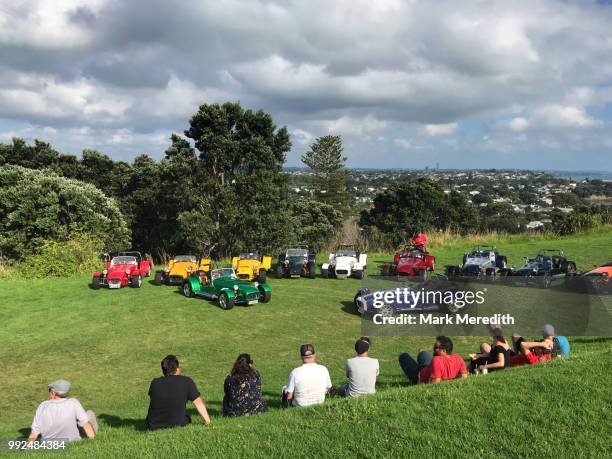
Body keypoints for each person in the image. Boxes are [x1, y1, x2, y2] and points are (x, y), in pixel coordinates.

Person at [145, 355, 210, 429]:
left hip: (152, 425)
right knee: (187, 418)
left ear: (163, 370)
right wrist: (207, 421)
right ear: (177, 369)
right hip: (178, 424)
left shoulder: (155, 382)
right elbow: (198, 403)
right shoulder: (186, 381)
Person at [28, 380, 97, 442]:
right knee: (90, 414)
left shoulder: (42, 406)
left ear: (53, 393)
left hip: (48, 445)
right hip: (72, 441)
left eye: (49, 391)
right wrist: (94, 442)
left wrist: (27, 449)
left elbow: (34, 432)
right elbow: (86, 425)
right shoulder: (73, 402)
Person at [399, 336, 468, 384]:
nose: (434, 349)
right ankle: (421, 353)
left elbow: (434, 383)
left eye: (436, 348)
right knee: (422, 352)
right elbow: (464, 376)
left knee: (402, 355)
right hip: (429, 367)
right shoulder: (458, 357)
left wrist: (420, 381)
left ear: (443, 350)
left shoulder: (436, 360)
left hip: (418, 375)